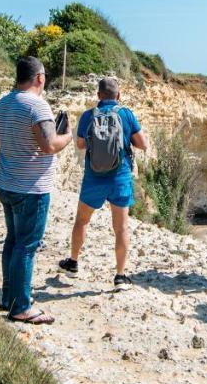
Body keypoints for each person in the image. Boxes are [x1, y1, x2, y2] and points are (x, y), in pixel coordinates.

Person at [0, 56, 72, 324]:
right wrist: (68, 134)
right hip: (31, 188)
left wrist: (7, 143)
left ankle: (9, 297)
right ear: (39, 78)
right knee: (27, 246)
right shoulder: (37, 106)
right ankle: (21, 307)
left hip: (6, 183)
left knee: (13, 240)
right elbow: (50, 145)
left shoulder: (5, 102)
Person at [57, 77, 147, 291]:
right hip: (120, 178)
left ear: (98, 96)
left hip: (93, 177)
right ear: (119, 95)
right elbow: (142, 144)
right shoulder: (126, 114)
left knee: (82, 221)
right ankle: (120, 276)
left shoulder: (88, 115)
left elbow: (80, 145)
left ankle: (73, 262)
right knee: (121, 228)